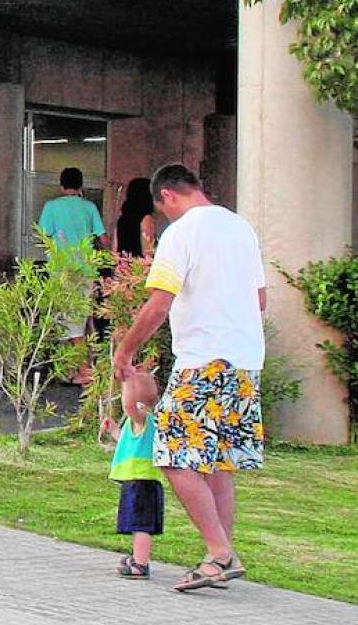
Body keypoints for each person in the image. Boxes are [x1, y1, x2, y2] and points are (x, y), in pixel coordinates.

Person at [112, 163, 266, 593]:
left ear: (167, 197)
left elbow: (160, 303)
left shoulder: (180, 234)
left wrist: (125, 351)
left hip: (202, 359)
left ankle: (220, 553)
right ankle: (220, 557)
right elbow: (260, 299)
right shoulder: (241, 229)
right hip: (245, 360)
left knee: (172, 455)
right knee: (216, 462)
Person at [39, 167, 108, 382]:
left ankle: (83, 371)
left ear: (61, 186)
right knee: (82, 321)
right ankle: (76, 369)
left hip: (62, 270)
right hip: (86, 270)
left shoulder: (51, 207)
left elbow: (42, 235)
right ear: (81, 186)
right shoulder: (89, 207)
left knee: (67, 323)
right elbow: (103, 239)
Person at [103, 368, 165, 579]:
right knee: (137, 523)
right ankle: (137, 557)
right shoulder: (140, 423)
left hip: (141, 480)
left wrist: (125, 381)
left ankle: (140, 564)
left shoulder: (142, 417)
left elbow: (129, 406)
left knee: (140, 525)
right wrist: (113, 431)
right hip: (140, 480)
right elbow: (129, 442)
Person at [113, 177, 157, 259]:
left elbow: (114, 249)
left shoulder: (122, 218)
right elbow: (148, 251)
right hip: (138, 267)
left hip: (123, 266)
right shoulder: (146, 218)